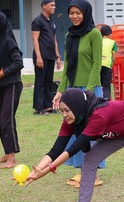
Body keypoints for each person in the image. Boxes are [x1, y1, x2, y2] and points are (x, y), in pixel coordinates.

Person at [52, 0, 105, 187]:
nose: (74, 16)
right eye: (71, 13)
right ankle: (83, 170)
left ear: (86, 13)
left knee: (90, 132)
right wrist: (61, 91)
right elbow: (69, 66)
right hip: (73, 91)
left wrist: (88, 93)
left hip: (89, 91)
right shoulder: (69, 35)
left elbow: (97, 65)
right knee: (76, 133)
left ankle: (93, 174)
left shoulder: (94, 34)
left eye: (78, 13)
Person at [0, 12, 24, 169]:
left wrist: (1, 74)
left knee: (7, 119)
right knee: (0, 120)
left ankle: (12, 159)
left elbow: (18, 62)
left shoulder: (8, 41)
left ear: (1, 24)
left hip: (13, 84)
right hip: (1, 85)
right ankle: (7, 152)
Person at [32, 0, 61, 115]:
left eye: (54, 5)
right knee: (40, 81)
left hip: (50, 56)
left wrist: (58, 56)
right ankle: (39, 108)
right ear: (44, 6)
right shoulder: (37, 21)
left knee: (49, 81)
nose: (54, 7)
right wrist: (39, 57)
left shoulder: (52, 22)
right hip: (41, 56)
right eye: (51, 5)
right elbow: (35, 39)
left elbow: (54, 40)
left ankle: (48, 106)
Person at [100, 25, 117, 100]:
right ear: (110, 34)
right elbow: (114, 57)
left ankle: (98, 100)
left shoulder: (98, 41)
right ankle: (106, 101)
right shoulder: (113, 43)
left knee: (98, 85)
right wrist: (111, 64)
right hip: (107, 66)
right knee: (106, 86)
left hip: (97, 65)